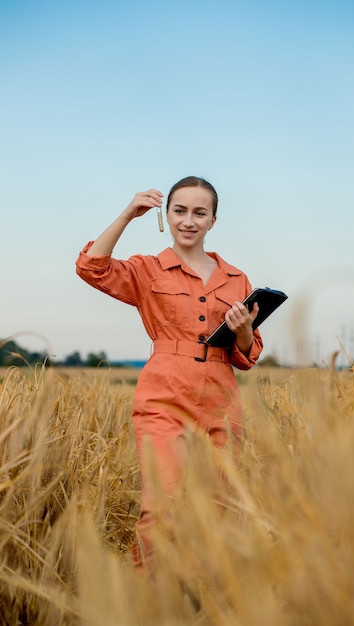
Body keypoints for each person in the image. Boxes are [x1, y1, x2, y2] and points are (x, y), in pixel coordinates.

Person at [75, 176, 263, 568]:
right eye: (179, 211)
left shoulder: (237, 279)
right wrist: (128, 213)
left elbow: (247, 355)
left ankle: (192, 597)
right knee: (163, 505)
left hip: (221, 400)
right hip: (164, 395)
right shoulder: (148, 270)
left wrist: (244, 331)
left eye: (200, 212)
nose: (188, 220)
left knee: (215, 509)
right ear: (166, 214)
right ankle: (147, 601)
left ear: (213, 220)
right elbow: (91, 268)